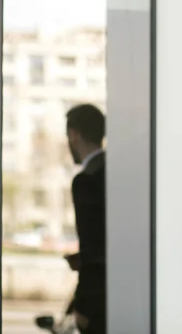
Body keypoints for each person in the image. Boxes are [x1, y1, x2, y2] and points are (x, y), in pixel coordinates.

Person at [65, 104, 106, 334]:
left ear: (74, 135)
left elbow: (92, 249)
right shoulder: (113, 171)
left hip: (96, 300)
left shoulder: (85, 180)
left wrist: (82, 305)